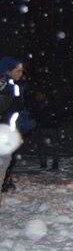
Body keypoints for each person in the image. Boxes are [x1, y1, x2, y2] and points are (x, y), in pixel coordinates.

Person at [0, 57, 32, 195]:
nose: (21, 73)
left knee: (6, 162)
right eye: (17, 70)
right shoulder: (5, 86)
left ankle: (6, 182)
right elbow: (10, 111)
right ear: (8, 71)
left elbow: (17, 111)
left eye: (21, 71)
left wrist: (24, 125)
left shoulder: (13, 85)